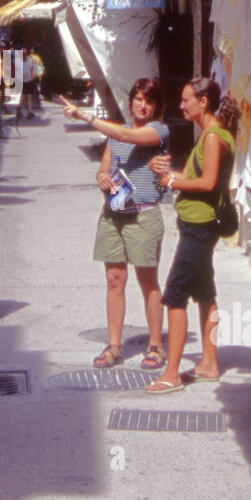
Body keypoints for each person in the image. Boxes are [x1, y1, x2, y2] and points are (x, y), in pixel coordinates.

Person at [59, 79, 168, 370]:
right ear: (131, 100)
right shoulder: (115, 136)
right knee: (114, 280)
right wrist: (102, 177)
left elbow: (125, 134)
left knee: (148, 282)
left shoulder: (157, 131)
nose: (142, 105)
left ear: (156, 106)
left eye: (148, 101)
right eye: (138, 99)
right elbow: (104, 166)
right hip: (113, 213)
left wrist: (84, 116)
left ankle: (155, 346)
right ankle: (115, 345)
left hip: (143, 216)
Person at [145, 77, 240, 395]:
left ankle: (170, 373)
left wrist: (172, 183)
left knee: (173, 295)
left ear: (204, 102)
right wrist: (167, 174)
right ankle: (209, 363)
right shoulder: (211, 135)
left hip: (199, 227)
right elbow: (192, 175)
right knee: (204, 292)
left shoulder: (212, 137)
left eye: (187, 100)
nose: (181, 105)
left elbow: (208, 182)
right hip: (199, 224)